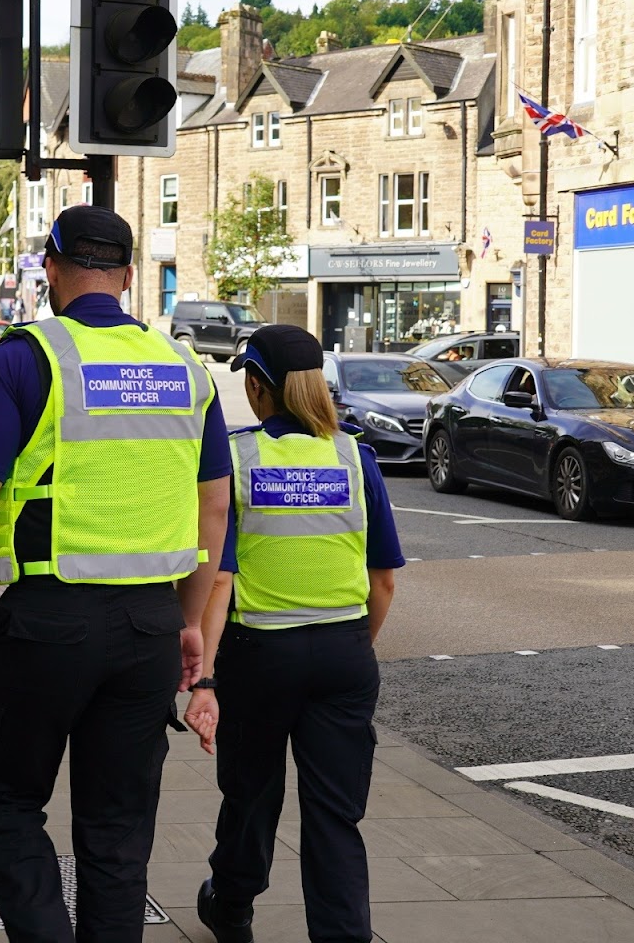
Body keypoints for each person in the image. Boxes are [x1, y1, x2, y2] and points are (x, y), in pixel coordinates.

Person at [0, 205, 232, 943]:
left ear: (52, 269)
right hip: (149, 629)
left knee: (4, 797)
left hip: (47, 620)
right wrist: (191, 623)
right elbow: (215, 513)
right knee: (118, 832)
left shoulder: (24, 357)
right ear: (130, 277)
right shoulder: (186, 369)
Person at [183, 325, 403, 943]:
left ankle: (231, 907)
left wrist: (204, 676)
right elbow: (382, 579)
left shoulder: (240, 457)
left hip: (260, 658)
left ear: (258, 388)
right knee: (336, 815)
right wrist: (357, 644)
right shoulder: (354, 457)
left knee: (250, 796)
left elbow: (220, 581)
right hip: (344, 652)